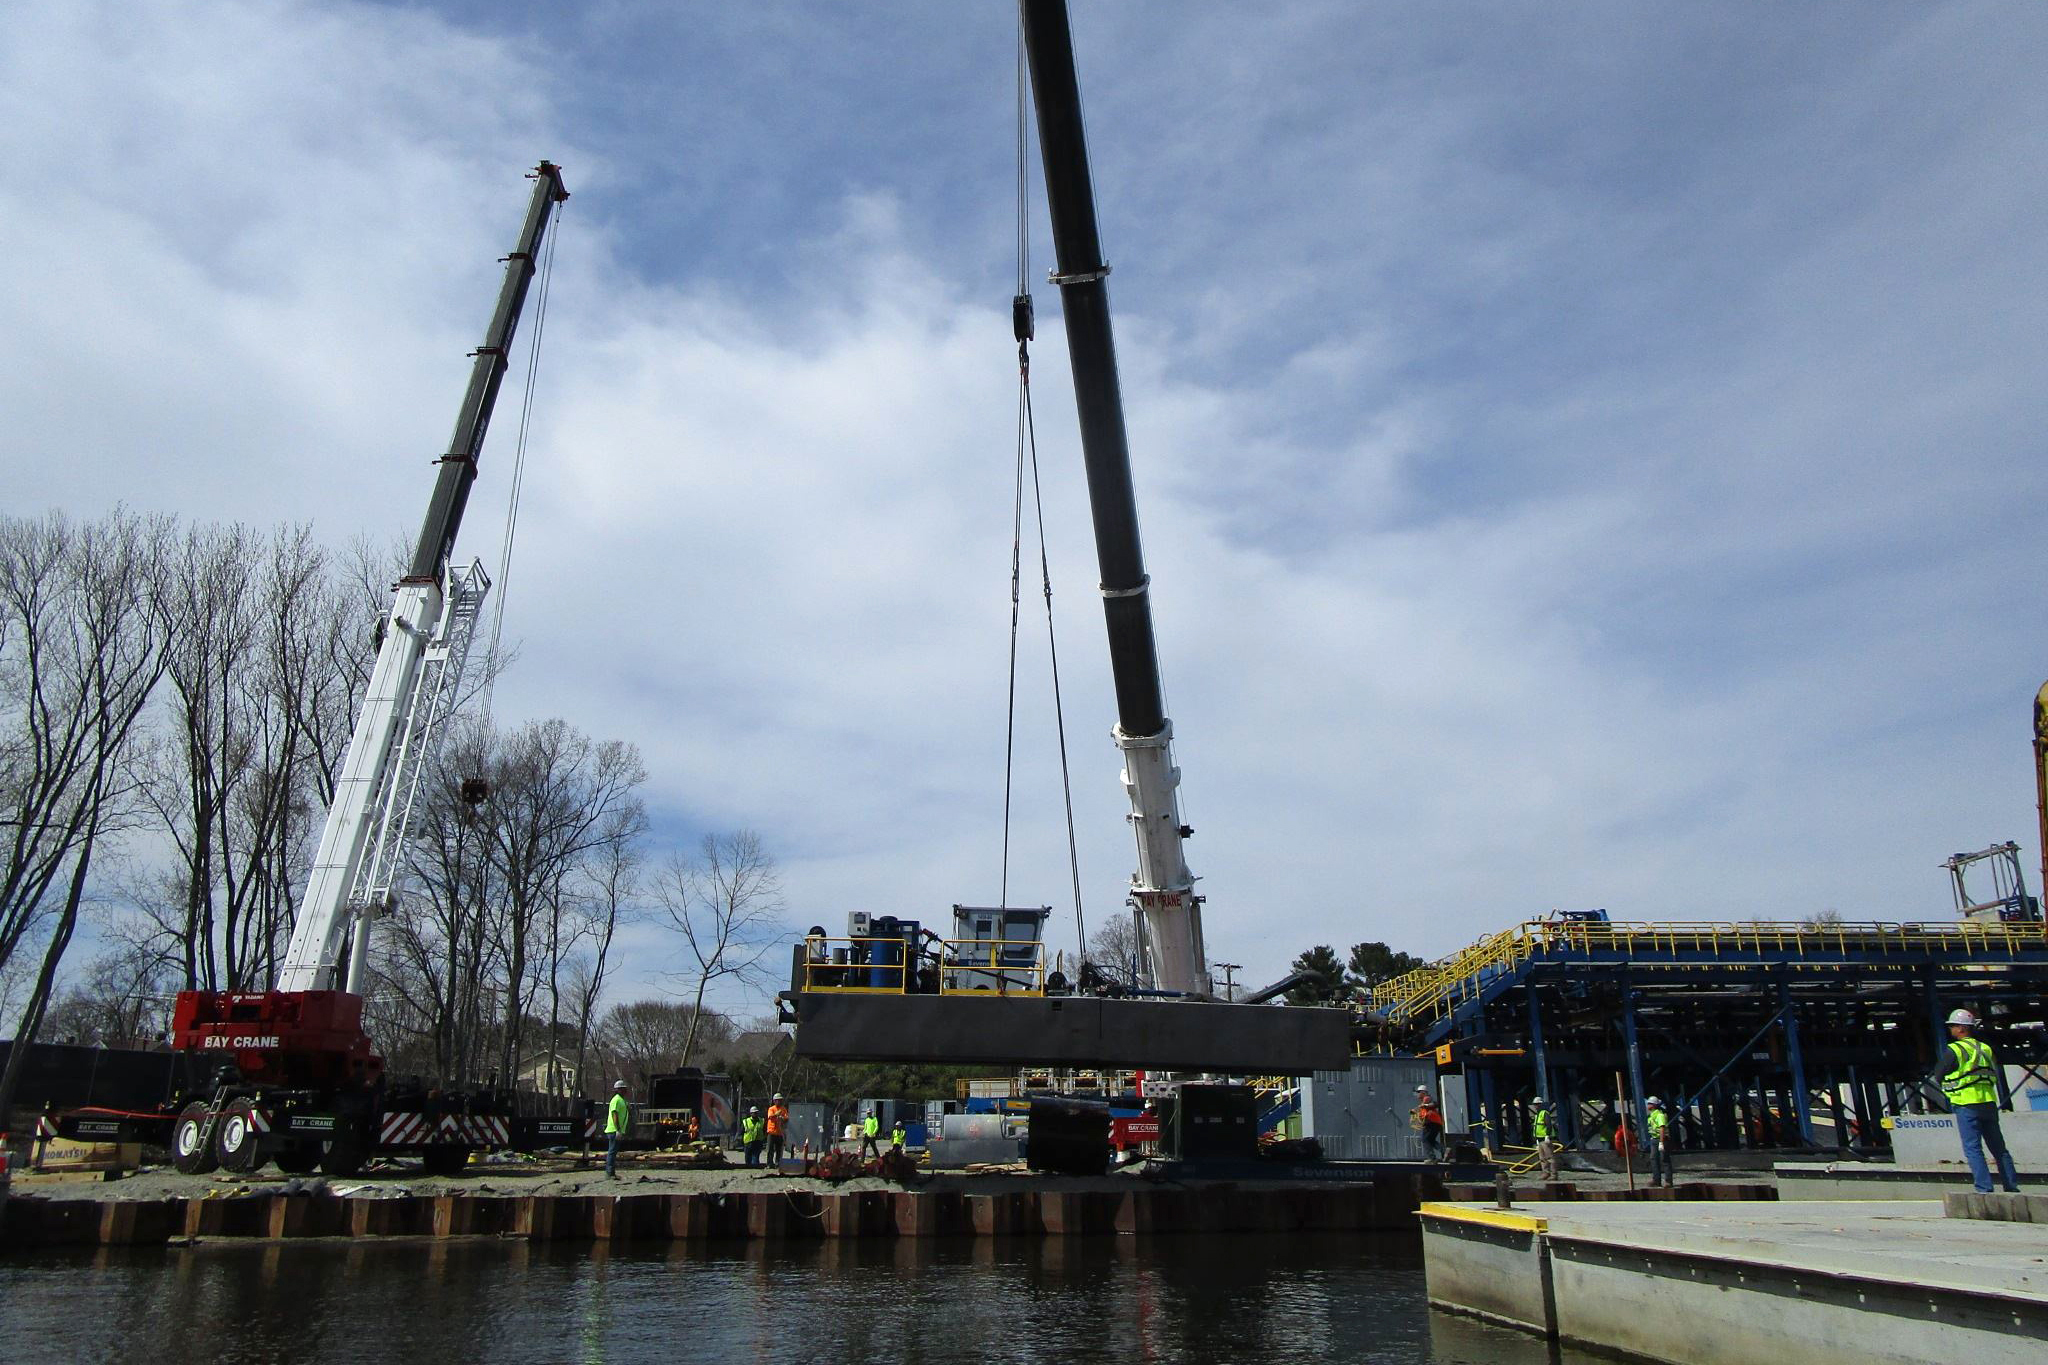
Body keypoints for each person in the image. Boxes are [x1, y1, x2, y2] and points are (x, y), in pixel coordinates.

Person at [1934, 1008, 2021, 1194]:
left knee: (1973, 1149)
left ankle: (1984, 1189)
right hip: (1988, 1103)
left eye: (1953, 1026)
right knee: (1999, 1149)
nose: (1951, 1030)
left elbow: (1938, 1074)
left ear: (1961, 1028)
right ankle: (2011, 1187)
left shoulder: (1955, 1049)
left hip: (1966, 1104)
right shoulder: (1985, 1048)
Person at [1412, 1085, 1444, 1162]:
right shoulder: (1424, 1101)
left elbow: (1434, 1104)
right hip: (1436, 1123)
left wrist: (1425, 1105)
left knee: (1425, 1139)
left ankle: (1432, 1158)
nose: (1417, 1094)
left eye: (1418, 1092)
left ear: (1423, 1092)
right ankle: (1444, 1151)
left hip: (1431, 1122)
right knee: (1431, 1140)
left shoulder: (1427, 1099)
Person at [1646, 1097, 1673, 1188]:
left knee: (1664, 1159)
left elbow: (1662, 1128)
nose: (1648, 1105)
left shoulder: (1659, 1115)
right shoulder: (1651, 1115)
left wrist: (1661, 1142)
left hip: (1661, 1139)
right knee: (1653, 1159)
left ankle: (1668, 1181)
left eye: (1649, 1103)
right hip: (1654, 1139)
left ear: (1654, 1105)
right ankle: (1656, 1180)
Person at [605, 1081, 630, 1179]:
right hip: (614, 1130)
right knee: (612, 1151)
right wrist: (618, 1129)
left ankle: (611, 1172)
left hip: (616, 1130)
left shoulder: (621, 1100)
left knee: (613, 1151)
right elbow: (614, 1115)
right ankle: (610, 1173)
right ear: (618, 1090)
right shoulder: (616, 1100)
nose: (625, 1090)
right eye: (623, 1088)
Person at [1531, 1096, 1558, 1182]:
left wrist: (1547, 1136)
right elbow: (1536, 1128)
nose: (1536, 1106)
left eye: (1538, 1104)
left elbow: (1548, 1125)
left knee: (1550, 1157)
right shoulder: (1537, 1115)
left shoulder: (1544, 1113)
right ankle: (1545, 1173)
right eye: (1535, 1104)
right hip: (1540, 1139)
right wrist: (1537, 1140)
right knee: (1542, 1158)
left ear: (1541, 1104)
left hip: (1545, 1139)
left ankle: (1554, 1174)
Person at [765, 1094, 789, 1166]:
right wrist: (776, 1114)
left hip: (779, 1132)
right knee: (770, 1149)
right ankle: (769, 1163)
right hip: (771, 1132)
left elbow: (786, 1118)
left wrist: (782, 1118)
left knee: (779, 1150)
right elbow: (770, 1117)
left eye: (780, 1100)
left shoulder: (783, 1109)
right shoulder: (771, 1109)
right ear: (774, 1101)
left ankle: (778, 1163)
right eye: (777, 1100)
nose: (779, 1101)